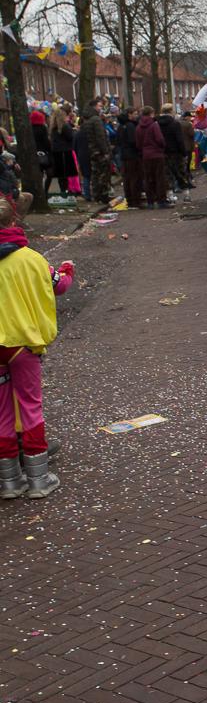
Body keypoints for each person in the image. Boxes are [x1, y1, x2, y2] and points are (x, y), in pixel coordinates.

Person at [0, 197, 73, 498]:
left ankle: (9, 482)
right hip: (24, 344)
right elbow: (59, 285)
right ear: (13, 221)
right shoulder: (31, 259)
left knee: (2, 412)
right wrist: (67, 271)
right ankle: (39, 480)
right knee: (30, 406)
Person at [82, 96, 113, 206]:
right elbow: (100, 137)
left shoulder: (87, 119)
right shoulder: (96, 120)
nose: (101, 108)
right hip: (99, 151)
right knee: (103, 174)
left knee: (95, 173)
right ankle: (103, 195)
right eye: (100, 106)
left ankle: (96, 195)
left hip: (92, 150)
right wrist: (106, 151)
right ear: (94, 107)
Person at [136, 107, 168, 208]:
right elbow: (160, 139)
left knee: (148, 178)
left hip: (146, 155)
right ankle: (161, 201)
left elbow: (138, 143)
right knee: (160, 178)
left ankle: (150, 202)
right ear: (151, 113)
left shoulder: (138, 127)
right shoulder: (154, 125)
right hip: (157, 154)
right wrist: (162, 147)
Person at [158, 102, 189, 200]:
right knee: (180, 172)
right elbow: (179, 140)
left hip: (163, 152)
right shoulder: (175, 124)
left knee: (167, 174)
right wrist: (184, 152)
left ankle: (170, 195)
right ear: (171, 111)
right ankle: (186, 194)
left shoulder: (157, 124)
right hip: (176, 152)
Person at [46, 106, 77, 196]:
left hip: (56, 152)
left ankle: (61, 192)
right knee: (65, 174)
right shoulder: (65, 126)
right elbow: (70, 137)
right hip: (65, 152)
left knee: (59, 174)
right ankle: (65, 192)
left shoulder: (53, 128)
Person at [117, 108, 144, 208]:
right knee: (135, 178)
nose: (136, 116)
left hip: (124, 155)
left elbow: (118, 140)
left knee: (127, 178)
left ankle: (129, 200)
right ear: (129, 114)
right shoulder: (130, 126)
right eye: (135, 114)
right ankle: (136, 200)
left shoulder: (121, 126)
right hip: (133, 155)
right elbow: (134, 141)